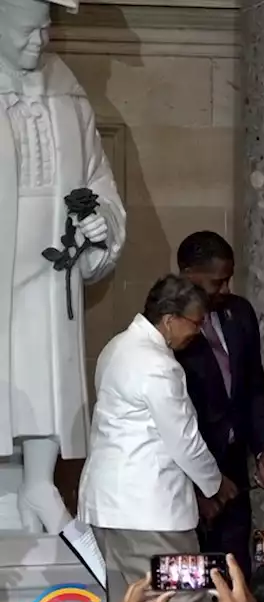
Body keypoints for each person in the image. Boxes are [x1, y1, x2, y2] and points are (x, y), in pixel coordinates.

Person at [0, 0, 127, 536]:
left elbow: (98, 178)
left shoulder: (66, 90)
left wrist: (100, 225)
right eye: (27, 30)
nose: (40, 40)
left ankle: (38, 481)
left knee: (46, 365)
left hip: (52, 262)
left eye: (46, 27)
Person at [78, 275, 238, 602]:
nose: (197, 332)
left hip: (108, 506)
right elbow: (184, 441)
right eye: (195, 323)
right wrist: (215, 484)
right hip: (148, 511)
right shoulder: (158, 365)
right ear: (169, 320)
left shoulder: (116, 347)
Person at [174, 231, 264, 572]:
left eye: (228, 280)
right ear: (187, 275)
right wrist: (198, 489)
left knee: (237, 572)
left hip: (235, 472)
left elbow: (253, 386)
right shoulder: (170, 328)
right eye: (216, 282)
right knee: (195, 584)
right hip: (189, 478)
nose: (224, 290)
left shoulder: (239, 314)